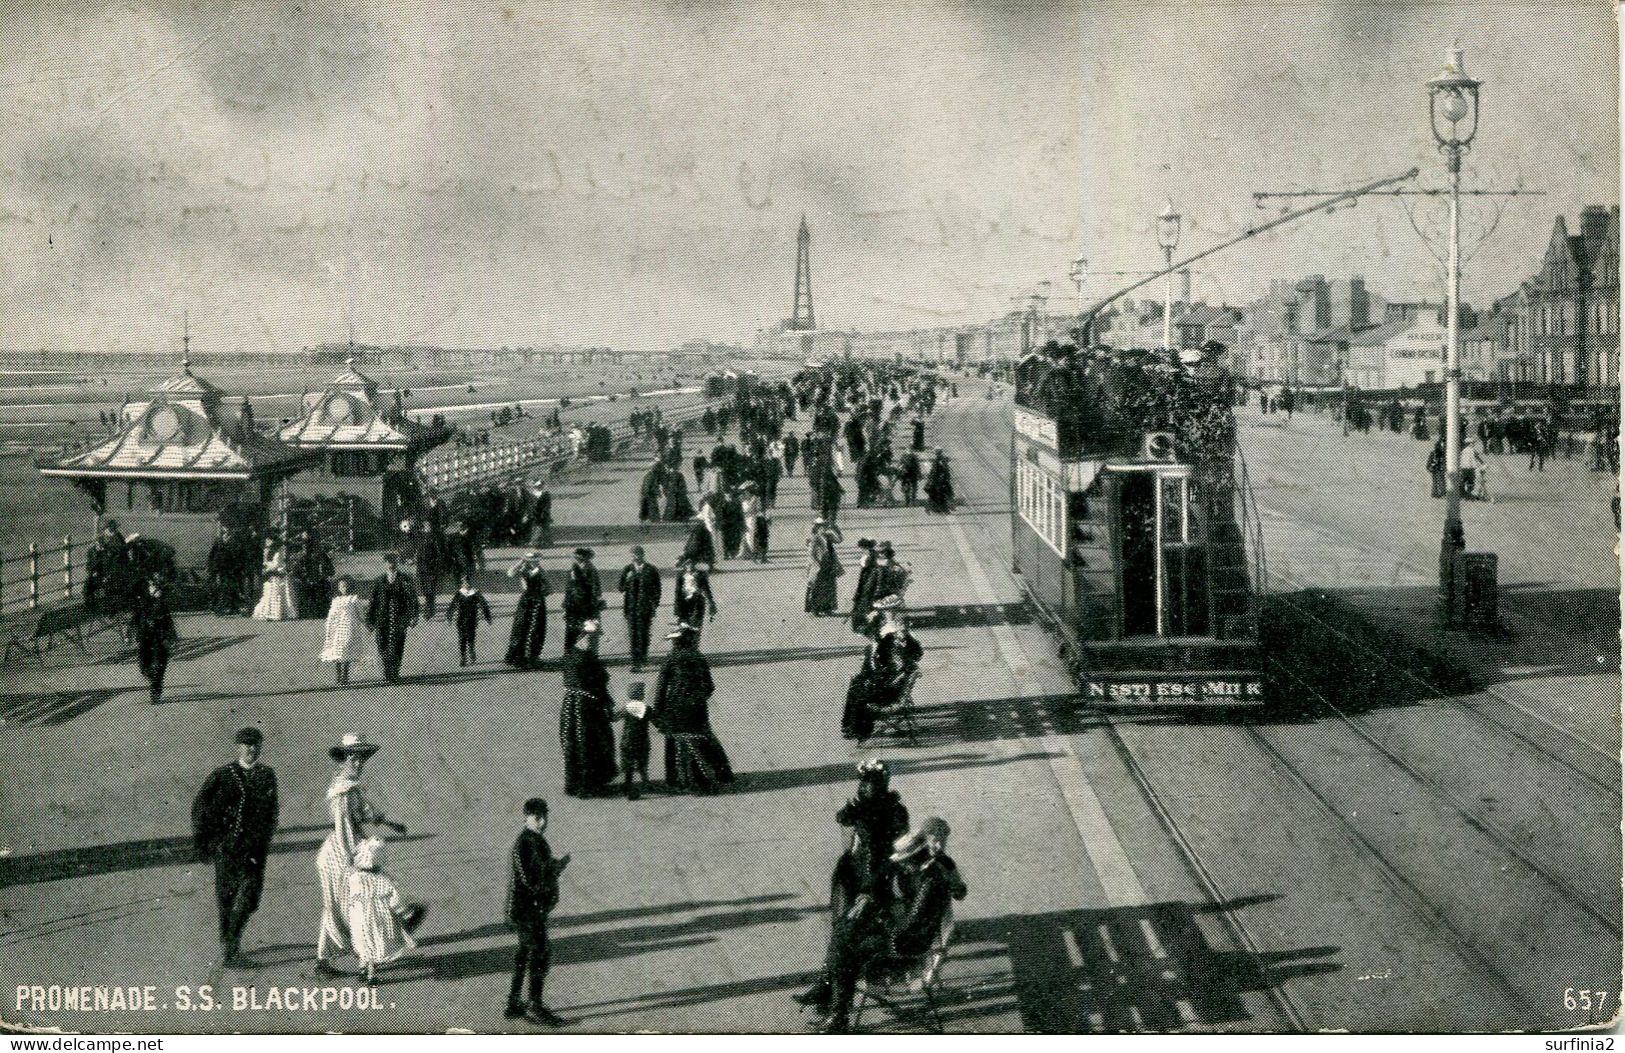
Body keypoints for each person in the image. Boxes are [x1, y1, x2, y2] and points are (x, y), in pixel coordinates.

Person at [808, 817, 967, 1033]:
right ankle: (834, 1005)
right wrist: (867, 897)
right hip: (903, 930)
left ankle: (836, 1011)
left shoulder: (933, 876)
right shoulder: (918, 864)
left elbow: (914, 922)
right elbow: (883, 871)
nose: (939, 845)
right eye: (935, 840)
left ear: (914, 858)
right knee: (844, 933)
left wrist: (881, 923)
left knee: (847, 949)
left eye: (905, 861)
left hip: (908, 941)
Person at [191, 727, 279, 969]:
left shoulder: (267, 775)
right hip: (228, 849)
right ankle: (230, 949)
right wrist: (207, 842)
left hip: (255, 849)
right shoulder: (222, 775)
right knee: (227, 897)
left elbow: (273, 810)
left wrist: (266, 835)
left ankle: (231, 942)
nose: (251, 749)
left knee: (250, 898)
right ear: (237, 747)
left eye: (255, 744)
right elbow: (200, 808)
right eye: (246, 744)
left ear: (260, 747)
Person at [315, 734, 403, 977]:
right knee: (343, 905)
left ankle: (363, 954)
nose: (359, 764)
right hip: (339, 853)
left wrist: (390, 823)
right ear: (342, 761)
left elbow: (366, 812)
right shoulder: (342, 792)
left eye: (361, 759)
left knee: (351, 904)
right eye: (353, 760)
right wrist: (353, 861)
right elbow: (343, 829)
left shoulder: (350, 787)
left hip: (350, 847)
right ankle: (330, 960)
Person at [506, 798, 568, 1026]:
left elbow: (540, 868)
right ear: (527, 817)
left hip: (530, 909)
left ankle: (514, 1001)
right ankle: (535, 1004)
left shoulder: (534, 840)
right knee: (539, 953)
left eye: (544, 817)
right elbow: (530, 879)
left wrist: (553, 866)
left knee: (524, 952)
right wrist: (552, 871)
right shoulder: (525, 842)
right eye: (537, 818)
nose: (542, 822)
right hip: (528, 910)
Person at [650, 624, 733, 794]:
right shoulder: (699, 657)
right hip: (697, 707)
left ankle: (680, 779)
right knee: (702, 738)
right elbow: (710, 686)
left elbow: (661, 689)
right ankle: (716, 774)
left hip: (675, 706)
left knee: (677, 740)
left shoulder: (670, 659)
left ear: (677, 643)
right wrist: (698, 699)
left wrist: (658, 712)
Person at [346, 836, 424, 985]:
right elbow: (395, 901)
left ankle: (363, 969)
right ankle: (371, 976)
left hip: (359, 918)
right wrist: (406, 912)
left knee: (365, 942)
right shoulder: (383, 880)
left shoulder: (354, 878)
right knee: (376, 942)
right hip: (379, 918)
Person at [558, 619, 619, 798]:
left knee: (574, 743)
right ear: (583, 638)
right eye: (592, 638)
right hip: (588, 707)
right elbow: (598, 682)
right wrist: (606, 703)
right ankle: (587, 785)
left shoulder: (571, 655)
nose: (594, 642)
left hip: (571, 704)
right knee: (589, 743)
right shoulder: (587, 658)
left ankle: (574, 784)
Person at [366, 553, 419, 683]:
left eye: (393, 562)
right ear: (384, 564)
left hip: (399, 618)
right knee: (382, 644)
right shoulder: (378, 581)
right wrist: (370, 621)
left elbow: (413, 599)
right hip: (382, 619)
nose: (391, 564)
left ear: (397, 563)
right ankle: (387, 669)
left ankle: (394, 672)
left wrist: (414, 616)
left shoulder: (405, 579)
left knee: (397, 645)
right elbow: (373, 602)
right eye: (388, 562)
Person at [129, 577, 177, 703]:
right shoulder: (143, 603)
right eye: (152, 586)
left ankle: (156, 689)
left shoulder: (162, 604)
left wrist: (172, 637)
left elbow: (168, 621)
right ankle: (153, 678)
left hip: (160, 638)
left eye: (156, 586)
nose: (155, 588)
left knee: (159, 664)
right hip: (145, 637)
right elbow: (135, 619)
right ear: (148, 589)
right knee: (144, 665)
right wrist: (129, 634)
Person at [618, 546, 662, 672]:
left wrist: (654, 604)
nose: (635, 557)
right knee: (632, 634)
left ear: (643, 555)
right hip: (631, 608)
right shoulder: (627, 569)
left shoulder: (651, 569)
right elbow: (620, 588)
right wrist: (627, 579)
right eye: (633, 555)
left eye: (638, 554)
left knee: (643, 633)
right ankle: (635, 661)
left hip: (645, 607)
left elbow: (657, 589)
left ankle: (643, 657)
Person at [505, 550, 552, 669]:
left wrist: (542, 593)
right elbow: (509, 573)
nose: (534, 563)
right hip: (526, 602)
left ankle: (533, 656)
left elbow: (550, 588)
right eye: (531, 561)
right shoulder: (523, 570)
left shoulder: (541, 571)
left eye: (535, 561)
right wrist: (520, 562)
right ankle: (518, 656)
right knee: (521, 626)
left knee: (536, 628)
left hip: (537, 601)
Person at [321, 575, 369, 685]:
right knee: (337, 652)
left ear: (349, 586)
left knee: (346, 650)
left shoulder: (354, 599)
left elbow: (361, 615)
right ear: (339, 588)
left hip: (349, 628)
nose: (344, 588)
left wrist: (367, 625)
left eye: (346, 586)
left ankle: (345, 676)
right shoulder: (335, 600)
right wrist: (329, 627)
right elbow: (331, 615)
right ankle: (338, 676)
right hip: (337, 629)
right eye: (342, 586)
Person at [561, 548, 605, 652]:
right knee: (573, 630)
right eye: (575, 558)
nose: (576, 560)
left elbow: (596, 589)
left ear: (585, 558)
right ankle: (572, 654)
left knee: (588, 629)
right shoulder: (573, 569)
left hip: (587, 605)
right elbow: (568, 589)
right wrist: (565, 607)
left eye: (578, 558)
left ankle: (588, 656)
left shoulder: (591, 570)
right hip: (574, 604)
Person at [446, 574, 494, 667]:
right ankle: (463, 657)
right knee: (461, 639)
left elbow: (484, 605)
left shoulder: (475, 593)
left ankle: (471, 651)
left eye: (467, 581)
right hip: (461, 619)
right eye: (464, 582)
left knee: (470, 637)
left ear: (470, 582)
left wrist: (488, 617)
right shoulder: (459, 593)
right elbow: (452, 606)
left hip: (472, 620)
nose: (466, 584)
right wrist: (449, 616)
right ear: (462, 583)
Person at [85, 520, 130, 616]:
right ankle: (90, 608)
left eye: (113, 528)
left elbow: (122, 554)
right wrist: (92, 570)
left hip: (115, 571)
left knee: (112, 586)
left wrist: (107, 551)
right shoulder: (100, 540)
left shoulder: (118, 538)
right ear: (106, 529)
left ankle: (112, 609)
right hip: (100, 570)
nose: (112, 530)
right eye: (110, 528)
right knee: (88, 586)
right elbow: (92, 557)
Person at [616, 682, 652, 800]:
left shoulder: (626, 708)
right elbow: (657, 720)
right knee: (642, 762)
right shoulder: (647, 708)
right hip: (642, 740)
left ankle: (627, 785)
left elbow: (614, 717)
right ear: (641, 695)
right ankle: (645, 782)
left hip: (628, 740)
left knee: (628, 764)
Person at [805, 518, 844, 617]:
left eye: (824, 526)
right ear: (817, 528)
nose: (823, 528)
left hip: (829, 563)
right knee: (817, 586)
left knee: (830, 585)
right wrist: (816, 564)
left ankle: (828, 608)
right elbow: (811, 553)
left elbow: (839, 540)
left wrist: (836, 528)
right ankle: (815, 609)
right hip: (819, 564)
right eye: (821, 526)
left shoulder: (829, 536)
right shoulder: (814, 538)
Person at [252, 537, 298, 620]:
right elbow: (265, 563)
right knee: (269, 593)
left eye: (269, 540)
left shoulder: (279, 551)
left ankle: (279, 613)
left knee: (278, 594)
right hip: (271, 575)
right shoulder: (267, 552)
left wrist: (267, 568)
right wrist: (265, 566)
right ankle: (268, 612)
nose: (267, 543)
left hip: (278, 575)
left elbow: (277, 565)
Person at [293, 529, 334, 620]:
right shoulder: (302, 557)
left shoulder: (320, 554)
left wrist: (323, 576)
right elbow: (296, 572)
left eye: (308, 542)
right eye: (304, 543)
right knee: (305, 595)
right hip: (306, 583)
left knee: (320, 593)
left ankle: (320, 612)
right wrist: (303, 578)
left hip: (319, 583)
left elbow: (330, 570)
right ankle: (310, 612)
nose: (306, 546)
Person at [671, 561, 718, 640]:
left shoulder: (701, 575)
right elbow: (677, 592)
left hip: (697, 602)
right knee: (684, 626)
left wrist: (711, 603)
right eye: (687, 564)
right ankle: (685, 648)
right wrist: (676, 607)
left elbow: (707, 590)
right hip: (684, 603)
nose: (690, 566)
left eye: (692, 564)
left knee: (696, 625)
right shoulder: (681, 576)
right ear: (684, 566)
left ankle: (694, 646)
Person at [923, 449, 954, 514]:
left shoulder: (938, 461)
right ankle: (945, 509)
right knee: (940, 495)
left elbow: (934, 472)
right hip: (938, 482)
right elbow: (936, 472)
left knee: (934, 496)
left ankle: (931, 509)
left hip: (938, 481)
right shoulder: (939, 461)